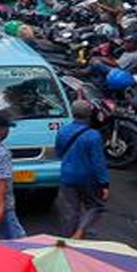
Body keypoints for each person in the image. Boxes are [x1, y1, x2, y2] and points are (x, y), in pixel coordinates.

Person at [56, 100, 111, 240]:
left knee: (70, 211)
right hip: (88, 178)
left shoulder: (63, 131)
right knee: (95, 206)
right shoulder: (93, 135)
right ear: (89, 114)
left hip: (67, 176)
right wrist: (104, 183)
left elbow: (59, 152)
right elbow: (98, 162)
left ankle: (68, 239)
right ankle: (81, 231)